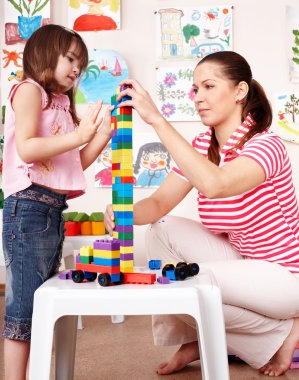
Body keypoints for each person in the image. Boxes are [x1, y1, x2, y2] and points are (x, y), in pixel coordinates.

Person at [105, 51, 299, 377]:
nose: (199, 98)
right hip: (246, 263)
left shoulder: (267, 146)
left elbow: (216, 184)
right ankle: (209, 338)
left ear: (239, 92)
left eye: (209, 86)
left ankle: (281, 335)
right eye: (196, 89)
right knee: (160, 231)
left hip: (287, 277)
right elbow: (158, 205)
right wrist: (122, 212)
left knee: (184, 280)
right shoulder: (201, 145)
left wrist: (157, 119)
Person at [2, 24, 113, 380]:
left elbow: (71, 166)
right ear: (44, 53)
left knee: (41, 304)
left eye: (79, 65)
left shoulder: (62, 103)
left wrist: (98, 137)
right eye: (70, 58)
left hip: (50, 208)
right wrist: (79, 134)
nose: (75, 69)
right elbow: (28, 148)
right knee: (23, 311)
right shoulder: (30, 91)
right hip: (29, 207)